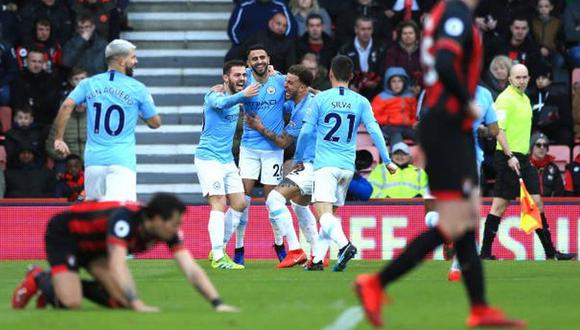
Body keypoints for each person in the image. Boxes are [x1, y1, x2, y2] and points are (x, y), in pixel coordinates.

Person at [354, 1, 526, 328]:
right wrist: (467, 102)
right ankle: (376, 284)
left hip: (446, 126)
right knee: (457, 219)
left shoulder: (443, 14)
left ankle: (479, 308)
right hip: (450, 126)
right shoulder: (456, 14)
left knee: (461, 222)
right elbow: (446, 63)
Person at [11, 193, 239, 313]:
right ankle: (40, 278)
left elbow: (191, 268)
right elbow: (118, 265)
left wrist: (217, 303)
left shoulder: (165, 229)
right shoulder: (124, 220)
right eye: (173, 223)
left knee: (120, 302)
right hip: (66, 236)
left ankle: (58, 286)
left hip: (95, 248)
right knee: (72, 303)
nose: (176, 229)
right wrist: (138, 303)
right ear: (157, 219)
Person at [295, 55, 397, 272]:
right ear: (351, 76)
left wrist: (298, 157)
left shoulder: (321, 99)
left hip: (325, 165)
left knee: (322, 213)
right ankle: (316, 261)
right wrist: (387, 160)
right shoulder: (361, 101)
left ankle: (345, 246)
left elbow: (305, 132)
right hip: (347, 168)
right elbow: (375, 131)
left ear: (330, 73)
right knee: (329, 215)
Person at [479, 64, 576, 261]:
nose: (522, 81)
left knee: (536, 203)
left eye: (524, 77)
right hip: (508, 157)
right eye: (518, 77)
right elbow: (500, 131)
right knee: (499, 205)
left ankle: (551, 253)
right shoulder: (505, 99)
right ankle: (485, 253)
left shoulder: (524, 99)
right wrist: (509, 156)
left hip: (522, 157)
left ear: (529, 78)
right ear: (510, 79)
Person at [53, 39, 161, 202]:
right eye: (133, 58)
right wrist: (138, 111)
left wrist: (59, 139)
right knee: (119, 213)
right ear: (121, 60)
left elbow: (67, 105)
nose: (136, 61)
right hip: (122, 162)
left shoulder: (88, 84)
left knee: (94, 213)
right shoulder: (138, 88)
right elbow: (155, 123)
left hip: (94, 161)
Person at [245, 64, 317, 268]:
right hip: (317, 165)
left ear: (302, 88)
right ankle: (319, 253)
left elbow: (283, 142)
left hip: (312, 166)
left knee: (275, 199)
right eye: (285, 80)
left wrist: (260, 127)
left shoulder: (303, 111)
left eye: (290, 82)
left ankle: (295, 250)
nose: (284, 85)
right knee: (300, 205)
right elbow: (277, 105)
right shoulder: (306, 101)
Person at [195, 60, 259, 270]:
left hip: (226, 160)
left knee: (240, 203)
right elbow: (221, 104)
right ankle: (218, 254)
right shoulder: (212, 96)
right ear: (225, 78)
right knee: (219, 203)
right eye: (236, 75)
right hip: (208, 158)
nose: (241, 79)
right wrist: (243, 95)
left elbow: (257, 71)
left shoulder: (237, 97)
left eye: (243, 75)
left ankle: (217, 249)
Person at [234, 44, 288, 265]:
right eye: (254, 58)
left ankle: (279, 244)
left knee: (272, 201)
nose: (259, 61)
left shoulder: (280, 80)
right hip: (249, 148)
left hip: (273, 151)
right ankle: (238, 247)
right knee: (242, 200)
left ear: (268, 59)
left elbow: (302, 89)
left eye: (262, 57)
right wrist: (218, 88)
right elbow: (226, 85)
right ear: (248, 63)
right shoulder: (244, 80)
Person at [45, 67, 88, 172]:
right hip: (67, 162)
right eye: (76, 79)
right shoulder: (61, 116)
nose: (80, 104)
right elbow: (50, 145)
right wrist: (66, 157)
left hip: (90, 161)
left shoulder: (96, 115)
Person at [338, 15, 386, 100]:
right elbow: (339, 72)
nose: (366, 32)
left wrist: (376, 82)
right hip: (351, 93)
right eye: (363, 29)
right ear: (356, 30)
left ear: (372, 30)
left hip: (376, 92)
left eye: (369, 29)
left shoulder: (380, 48)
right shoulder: (345, 49)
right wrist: (348, 86)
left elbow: (383, 71)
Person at [10, 48, 61, 127]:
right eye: (33, 61)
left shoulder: (50, 80)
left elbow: (52, 104)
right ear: (27, 62)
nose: (36, 65)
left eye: (39, 62)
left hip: (45, 123)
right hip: (23, 123)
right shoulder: (18, 78)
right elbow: (17, 102)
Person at [371, 66, 417, 145]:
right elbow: (373, 116)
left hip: (407, 127)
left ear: (404, 82)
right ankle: (397, 156)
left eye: (400, 81)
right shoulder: (381, 97)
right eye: (393, 81)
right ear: (388, 83)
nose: (397, 84)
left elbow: (414, 114)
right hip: (389, 127)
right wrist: (388, 120)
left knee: (420, 136)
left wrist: (413, 122)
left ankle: (423, 156)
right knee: (396, 137)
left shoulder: (410, 97)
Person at [227, 0, 297, 46]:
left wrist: (282, 46)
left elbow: (291, 28)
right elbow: (233, 30)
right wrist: (243, 46)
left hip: (276, 49)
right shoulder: (244, 6)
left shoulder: (281, 5)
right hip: (248, 48)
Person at [384, 20, 422, 85]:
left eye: (411, 33)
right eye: (405, 33)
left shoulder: (422, 51)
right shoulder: (393, 51)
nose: (408, 36)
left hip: (420, 88)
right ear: (400, 35)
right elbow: (390, 73)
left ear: (416, 34)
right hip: (398, 88)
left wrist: (419, 85)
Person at [528, 133, 564, 197]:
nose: (542, 148)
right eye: (538, 145)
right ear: (532, 147)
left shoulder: (553, 168)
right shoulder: (524, 166)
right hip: (528, 204)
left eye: (545, 145)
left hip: (549, 204)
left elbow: (559, 192)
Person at [531, 0, 563, 68]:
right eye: (541, 6)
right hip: (537, 50)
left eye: (546, 6)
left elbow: (560, 39)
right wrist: (539, 48)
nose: (543, 9)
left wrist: (551, 49)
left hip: (553, 51)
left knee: (559, 60)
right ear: (537, 8)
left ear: (551, 7)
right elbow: (531, 39)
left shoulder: (557, 22)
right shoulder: (533, 22)